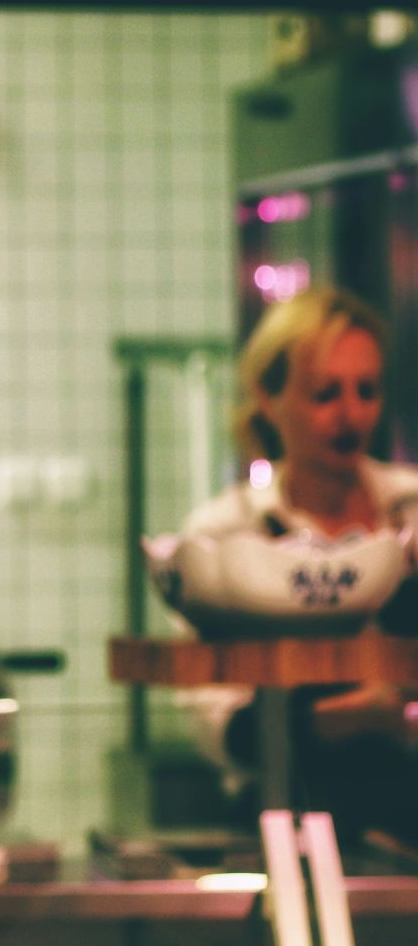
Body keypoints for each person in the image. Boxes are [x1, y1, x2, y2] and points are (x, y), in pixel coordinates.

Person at [178, 286, 418, 846]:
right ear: (269, 396)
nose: (350, 414)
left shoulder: (410, 509)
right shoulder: (223, 535)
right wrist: (350, 717)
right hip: (280, 816)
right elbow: (218, 727)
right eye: (324, 393)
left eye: (366, 391)